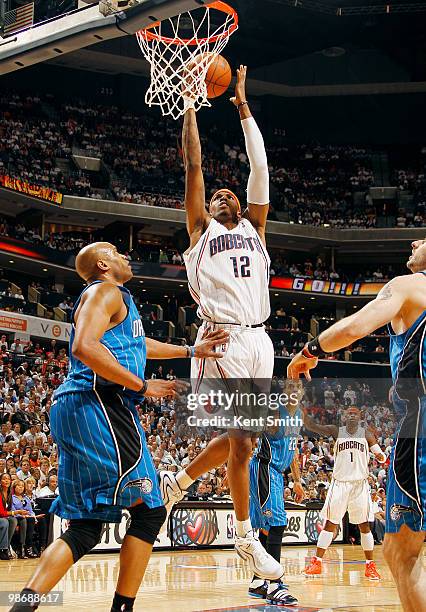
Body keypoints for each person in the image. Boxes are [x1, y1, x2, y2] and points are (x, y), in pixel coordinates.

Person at [8, 241, 228, 612]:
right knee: (151, 510)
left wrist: (191, 351)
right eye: (116, 251)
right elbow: (83, 346)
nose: (126, 255)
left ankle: (20, 607)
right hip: (101, 405)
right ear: (102, 263)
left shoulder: (115, 299)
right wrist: (142, 385)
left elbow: (139, 343)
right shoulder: (104, 291)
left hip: (78, 408)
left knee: (86, 527)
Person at [160, 66, 282, 580]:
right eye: (217, 195)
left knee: (244, 438)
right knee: (245, 441)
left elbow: (261, 170)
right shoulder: (200, 231)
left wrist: (243, 108)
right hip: (223, 337)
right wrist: (189, 105)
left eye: (229, 194)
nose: (224, 195)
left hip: (260, 340)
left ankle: (179, 481)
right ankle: (245, 538)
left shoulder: (255, 227)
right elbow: (194, 165)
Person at [287, 237, 426, 611]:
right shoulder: (343, 430)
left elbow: (353, 329)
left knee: (402, 553)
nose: (414, 242)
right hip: (348, 478)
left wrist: (308, 352)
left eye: (424, 239)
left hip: (420, 424)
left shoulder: (410, 286)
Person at [301, 406, 385, 580]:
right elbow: (313, 427)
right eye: (349, 412)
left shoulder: (366, 434)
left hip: (360, 484)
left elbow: (380, 454)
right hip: (339, 484)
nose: (352, 414)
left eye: (355, 412)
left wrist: (380, 457)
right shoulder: (335, 430)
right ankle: (316, 562)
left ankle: (370, 566)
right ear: (345, 416)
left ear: (360, 416)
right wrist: (304, 416)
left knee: (364, 526)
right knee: (330, 524)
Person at [248, 390, 304, 605]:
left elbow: (293, 449)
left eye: (298, 389)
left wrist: (297, 480)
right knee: (277, 525)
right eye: (290, 388)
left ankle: (258, 581)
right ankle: (274, 584)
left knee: (266, 526)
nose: (294, 392)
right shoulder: (274, 411)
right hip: (264, 467)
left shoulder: (297, 415)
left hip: (277, 473)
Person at [12, 479, 37, 558]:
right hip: (17, 518)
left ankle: (28, 547)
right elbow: (12, 510)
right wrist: (21, 514)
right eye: (19, 486)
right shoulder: (12, 498)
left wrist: (33, 517)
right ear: (14, 487)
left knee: (32, 519)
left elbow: (30, 510)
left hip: (27, 517)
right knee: (25, 520)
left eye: (22, 486)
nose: (21, 488)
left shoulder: (26, 498)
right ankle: (22, 547)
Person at [0, 472, 19, 560]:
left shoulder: (9, 493)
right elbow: (1, 512)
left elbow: (8, 510)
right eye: (4, 479)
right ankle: (2, 549)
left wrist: (16, 514)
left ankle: (7, 546)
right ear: (0, 481)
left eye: (8, 479)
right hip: (1, 517)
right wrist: (15, 512)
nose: (7, 480)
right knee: (4, 522)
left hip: (3, 516)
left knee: (13, 520)